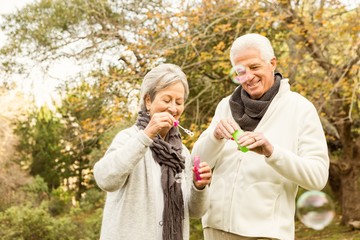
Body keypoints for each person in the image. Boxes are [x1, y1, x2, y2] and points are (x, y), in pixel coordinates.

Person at [191, 33, 329, 240]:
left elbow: (317, 177)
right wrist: (214, 137)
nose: (248, 77)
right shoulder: (225, 105)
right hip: (215, 229)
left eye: (255, 67)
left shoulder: (300, 108)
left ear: (272, 63)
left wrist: (271, 152)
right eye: (241, 71)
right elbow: (198, 162)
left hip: (265, 233)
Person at [93, 63, 211, 240]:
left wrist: (199, 187)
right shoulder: (128, 138)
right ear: (148, 101)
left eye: (179, 102)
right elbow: (105, 179)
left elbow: (195, 212)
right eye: (166, 100)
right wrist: (147, 134)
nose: (173, 108)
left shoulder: (182, 153)